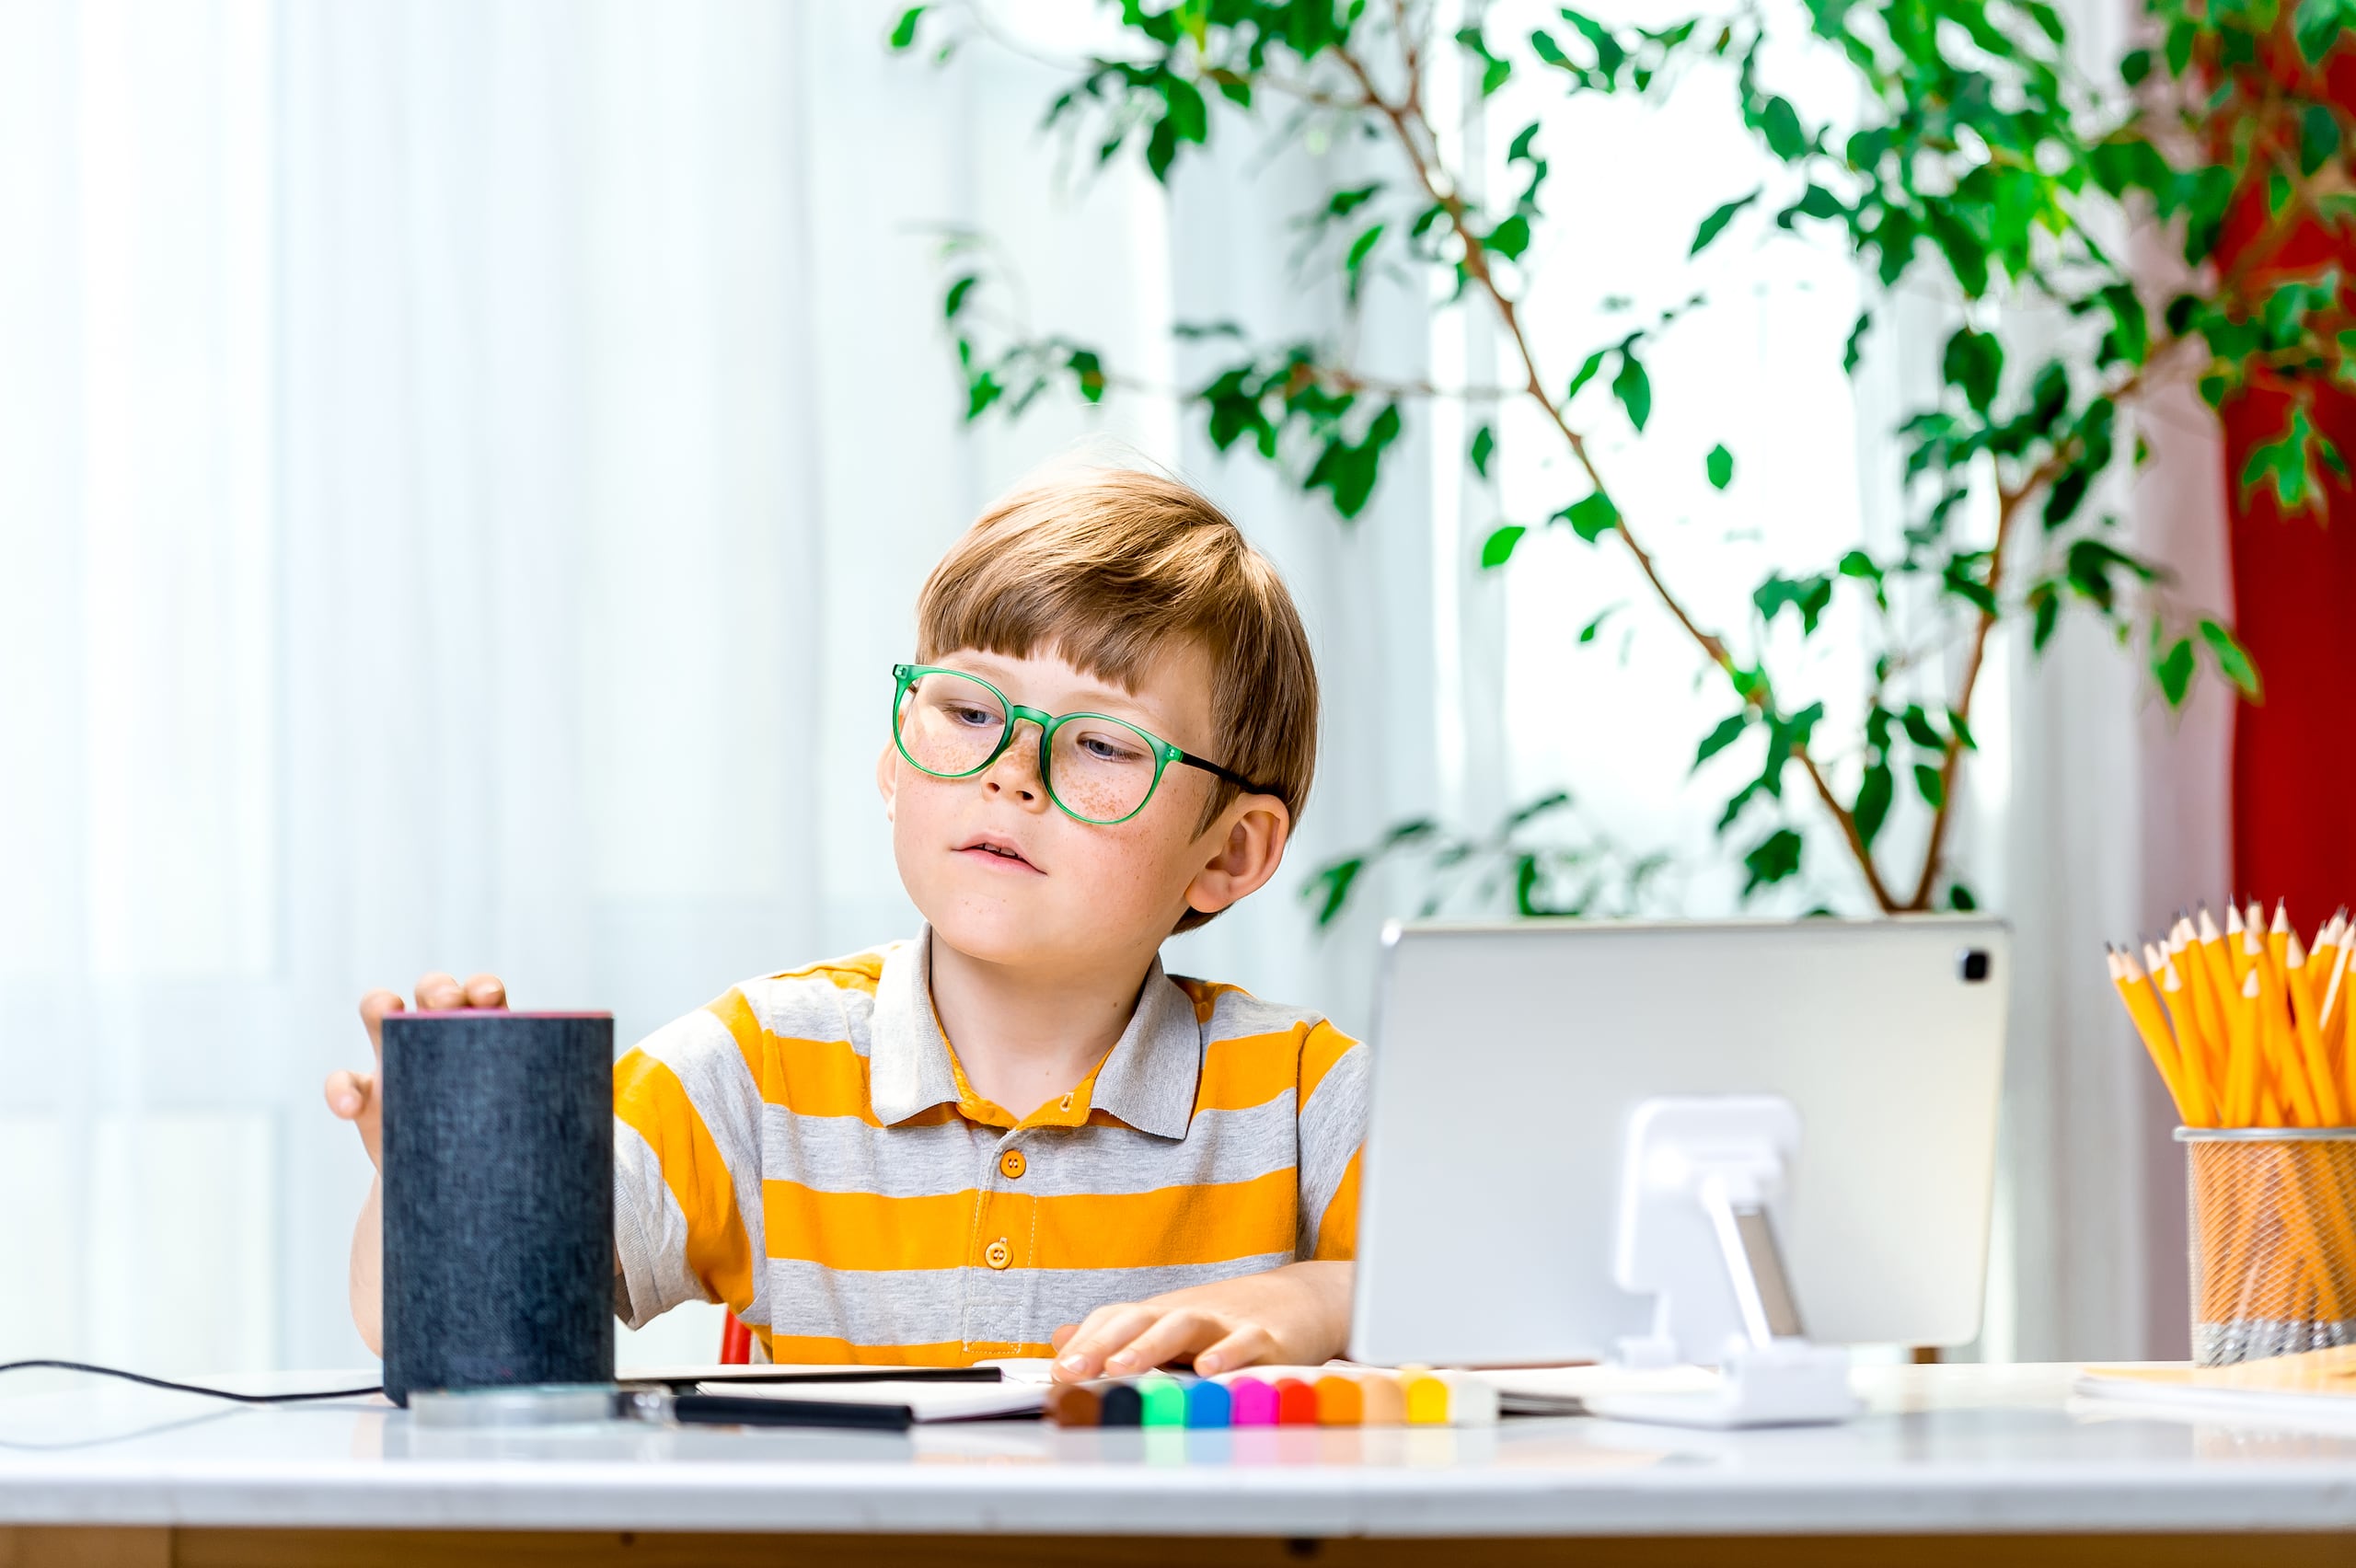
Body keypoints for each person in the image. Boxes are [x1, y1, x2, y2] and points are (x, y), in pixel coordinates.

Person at [324, 463, 1364, 1381]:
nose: (1011, 772)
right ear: (894, 766)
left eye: (1100, 745)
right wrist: (433, 1179)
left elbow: (1519, 1320)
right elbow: (437, 1328)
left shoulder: (1305, 1095)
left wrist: (1313, 1302)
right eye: (968, 712)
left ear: (1230, 852)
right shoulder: (756, 1065)